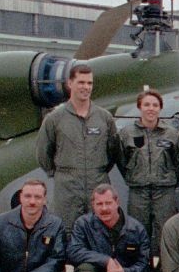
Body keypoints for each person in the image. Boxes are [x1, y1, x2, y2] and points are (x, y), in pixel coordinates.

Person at [35, 61, 121, 235]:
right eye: (81, 82)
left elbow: (113, 152)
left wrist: (97, 170)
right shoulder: (55, 118)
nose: (86, 87)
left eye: (89, 83)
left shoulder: (104, 118)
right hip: (67, 189)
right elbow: (43, 154)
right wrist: (61, 174)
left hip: (98, 184)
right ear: (70, 83)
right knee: (65, 233)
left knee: (99, 232)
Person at [119, 89, 179, 256]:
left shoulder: (172, 134)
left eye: (155, 105)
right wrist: (134, 175)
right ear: (139, 107)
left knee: (166, 233)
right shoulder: (127, 134)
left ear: (160, 108)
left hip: (164, 191)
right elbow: (121, 160)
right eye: (146, 104)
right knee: (137, 233)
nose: (151, 108)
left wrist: (168, 178)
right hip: (138, 191)